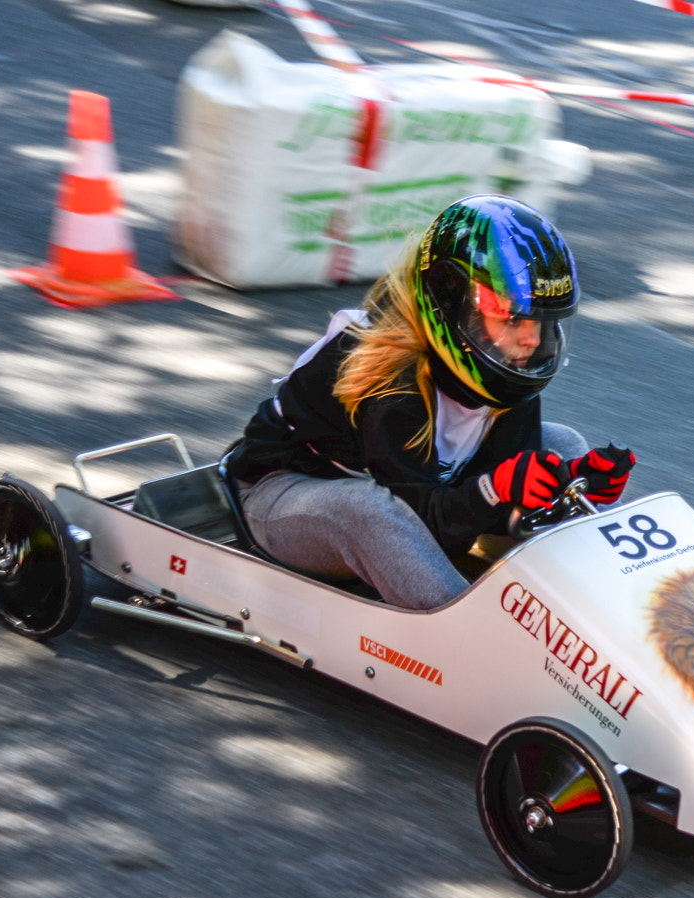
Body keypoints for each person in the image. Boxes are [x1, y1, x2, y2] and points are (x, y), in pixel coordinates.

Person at [224, 195, 635, 610]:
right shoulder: (390, 377)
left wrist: (572, 483)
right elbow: (427, 526)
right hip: (281, 495)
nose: (531, 340)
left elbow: (502, 502)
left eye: (541, 323)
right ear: (454, 301)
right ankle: (474, 641)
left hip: (421, 487)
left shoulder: (511, 367)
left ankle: (612, 602)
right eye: (513, 319)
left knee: (564, 444)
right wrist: (497, 488)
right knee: (371, 511)